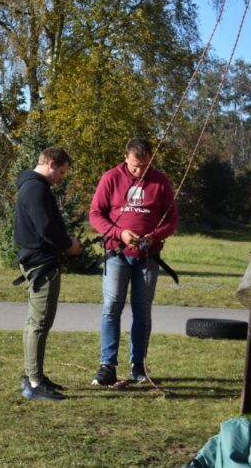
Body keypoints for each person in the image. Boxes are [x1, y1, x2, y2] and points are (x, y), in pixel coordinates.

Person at [89, 137, 178, 387]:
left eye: (145, 166)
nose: (140, 171)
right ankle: (107, 365)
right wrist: (119, 233)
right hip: (117, 255)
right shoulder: (111, 178)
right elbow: (95, 213)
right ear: (126, 158)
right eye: (136, 166)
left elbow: (171, 219)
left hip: (147, 257)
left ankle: (138, 366)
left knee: (142, 310)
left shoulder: (160, 181)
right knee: (112, 306)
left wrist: (154, 236)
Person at [14, 146, 82, 401]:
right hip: (41, 263)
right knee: (39, 323)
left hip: (39, 260)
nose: (61, 179)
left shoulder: (31, 186)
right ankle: (34, 382)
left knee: (36, 322)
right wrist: (68, 245)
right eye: (61, 172)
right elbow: (45, 227)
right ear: (51, 163)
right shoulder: (36, 188)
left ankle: (34, 375)